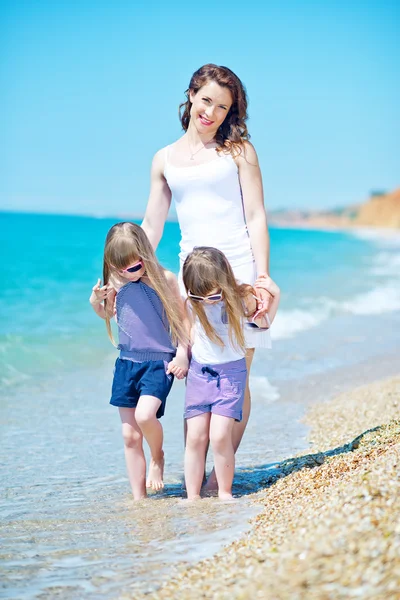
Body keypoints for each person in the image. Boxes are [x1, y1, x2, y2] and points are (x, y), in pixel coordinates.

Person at [141, 63, 278, 485]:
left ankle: (221, 471)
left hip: (238, 270)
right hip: (193, 279)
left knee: (237, 373)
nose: (212, 113)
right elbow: (151, 225)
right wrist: (121, 271)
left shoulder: (239, 152)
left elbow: (256, 215)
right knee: (198, 377)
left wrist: (264, 276)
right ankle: (192, 477)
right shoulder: (164, 159)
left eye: (222, 107)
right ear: (191, 95)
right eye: (206, 101)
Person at [89, 222, 189, 500]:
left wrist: (182, 353)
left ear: (145, 255)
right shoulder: (116, 283)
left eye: (134, 267)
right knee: (130, 437)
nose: (128, 274)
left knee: (146, 416)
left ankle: (158, 457)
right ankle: (138, 499)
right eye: (121, 268)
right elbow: (109, 315)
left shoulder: (165, 280)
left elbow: (182, 321)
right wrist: (96, 302)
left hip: (158, 363)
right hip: (127, 364)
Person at [182, 247, 280, 501]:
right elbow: (186, 333)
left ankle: (224, 492)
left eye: (213, 297)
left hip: (231, 374)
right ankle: (192, 496)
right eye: (198, 296)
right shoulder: (191, 302)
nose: (206, 302)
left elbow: (263, 324)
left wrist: (274, 294)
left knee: (219, 435)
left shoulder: (242, 297)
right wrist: (181, 356)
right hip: (199, 373)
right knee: (195, 436)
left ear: (224, 281)